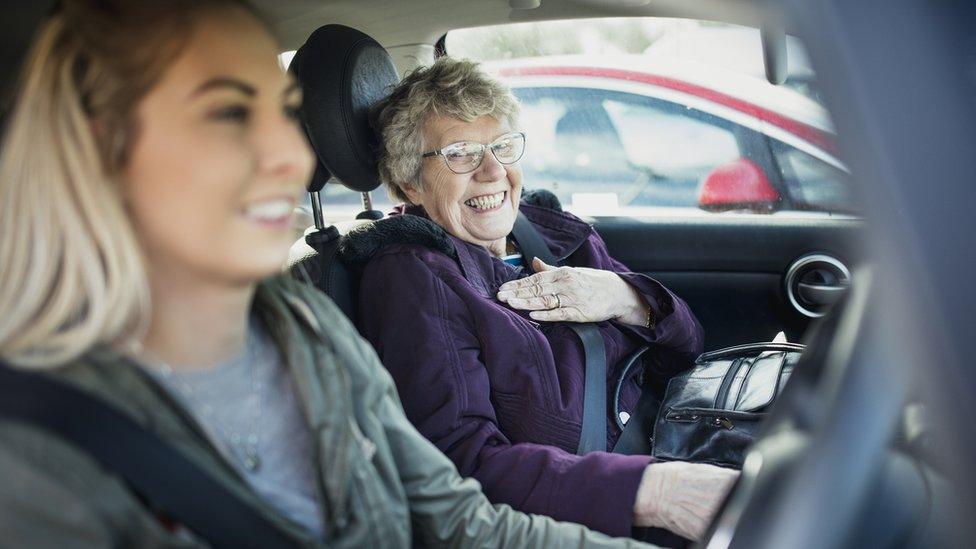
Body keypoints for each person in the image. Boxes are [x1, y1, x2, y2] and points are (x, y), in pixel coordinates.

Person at [0, 2, 654, 547]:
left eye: (284, 113)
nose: (290, 152)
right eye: (229, 112)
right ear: (100, 148)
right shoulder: (34, 459)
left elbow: (462, 521)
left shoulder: (304, 325)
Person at [352, 57, 738, 541]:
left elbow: (687, 348)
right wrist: (658, 491)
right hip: (603, 513)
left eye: (502, 147)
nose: (492, 171)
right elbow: (461, 466)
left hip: (681, 440)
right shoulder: (416, 276)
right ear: (412, 183)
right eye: (460, 153)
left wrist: (625, 298)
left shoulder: (551, 232)